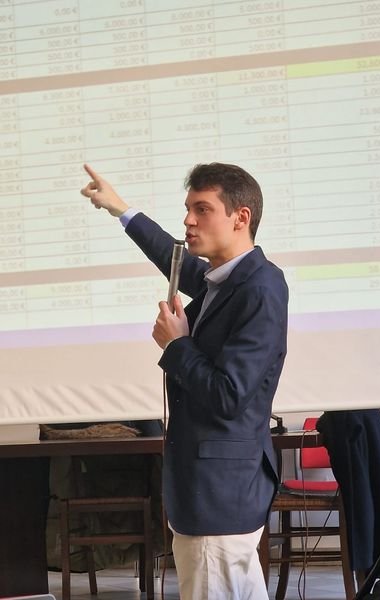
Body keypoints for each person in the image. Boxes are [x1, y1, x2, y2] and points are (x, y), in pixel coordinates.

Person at [81, 162, 288, 600]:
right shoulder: (225, 281)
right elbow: (170, 254)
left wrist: (177, 345)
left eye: (202, 209)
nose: (188, 221)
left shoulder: (259, 287)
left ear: (241, 217)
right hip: (215, 492)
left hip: (219, 496)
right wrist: (120, 209)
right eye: (188, 209)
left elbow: (228, 395)